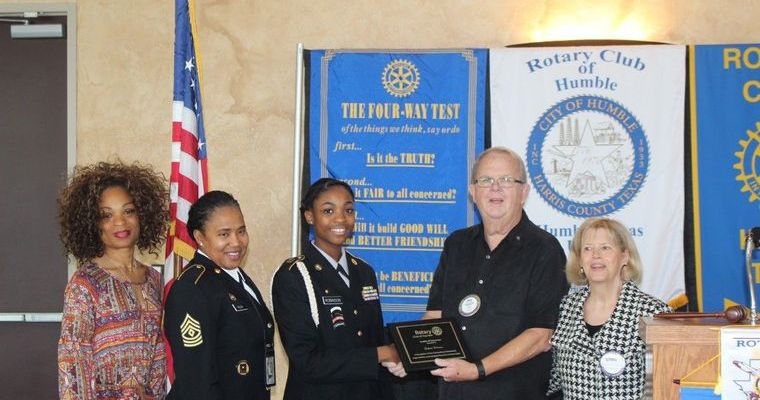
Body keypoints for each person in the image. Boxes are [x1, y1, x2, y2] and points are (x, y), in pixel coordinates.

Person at [419, 146, 569, 399]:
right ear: (473, 192)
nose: (495, 188)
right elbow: (435, 315)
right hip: (454, 392)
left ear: (524, 192)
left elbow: (542, 335)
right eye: (486, 180)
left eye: (506, 180)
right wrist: (409, 355)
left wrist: (477, 370)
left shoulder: (545, 249)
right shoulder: (456, 244)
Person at [271, 177, 398, 400]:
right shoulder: (294, 275)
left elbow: (373, 338)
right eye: (328, 211)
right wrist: (381, 354)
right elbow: (307, 361)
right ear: (309, 216)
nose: (340, 218)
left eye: (348, 210)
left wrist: (400, 354)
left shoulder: (364, 271)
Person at [57, 161, 169, 399]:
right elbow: (73, 366)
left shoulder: (156, 281)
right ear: (92, 223)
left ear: (142, 215)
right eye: (106, 215)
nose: (120, 222)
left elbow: (161, 355)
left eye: (128, 211)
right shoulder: (85, 285)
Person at [164, 190, 276, 400]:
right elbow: (196, 382)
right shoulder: (192, 289)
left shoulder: (235, 276)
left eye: (241, 231)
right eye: (224, 234)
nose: (236, 242)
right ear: (200, 237)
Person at [547, 217, 671, 399]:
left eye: (605, 248)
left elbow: (668, 384)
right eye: (587, 249)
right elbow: (553, 380)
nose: (595, 255)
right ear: (580, 260)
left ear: (624, 257)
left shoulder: (652, 312)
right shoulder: (566, 308)